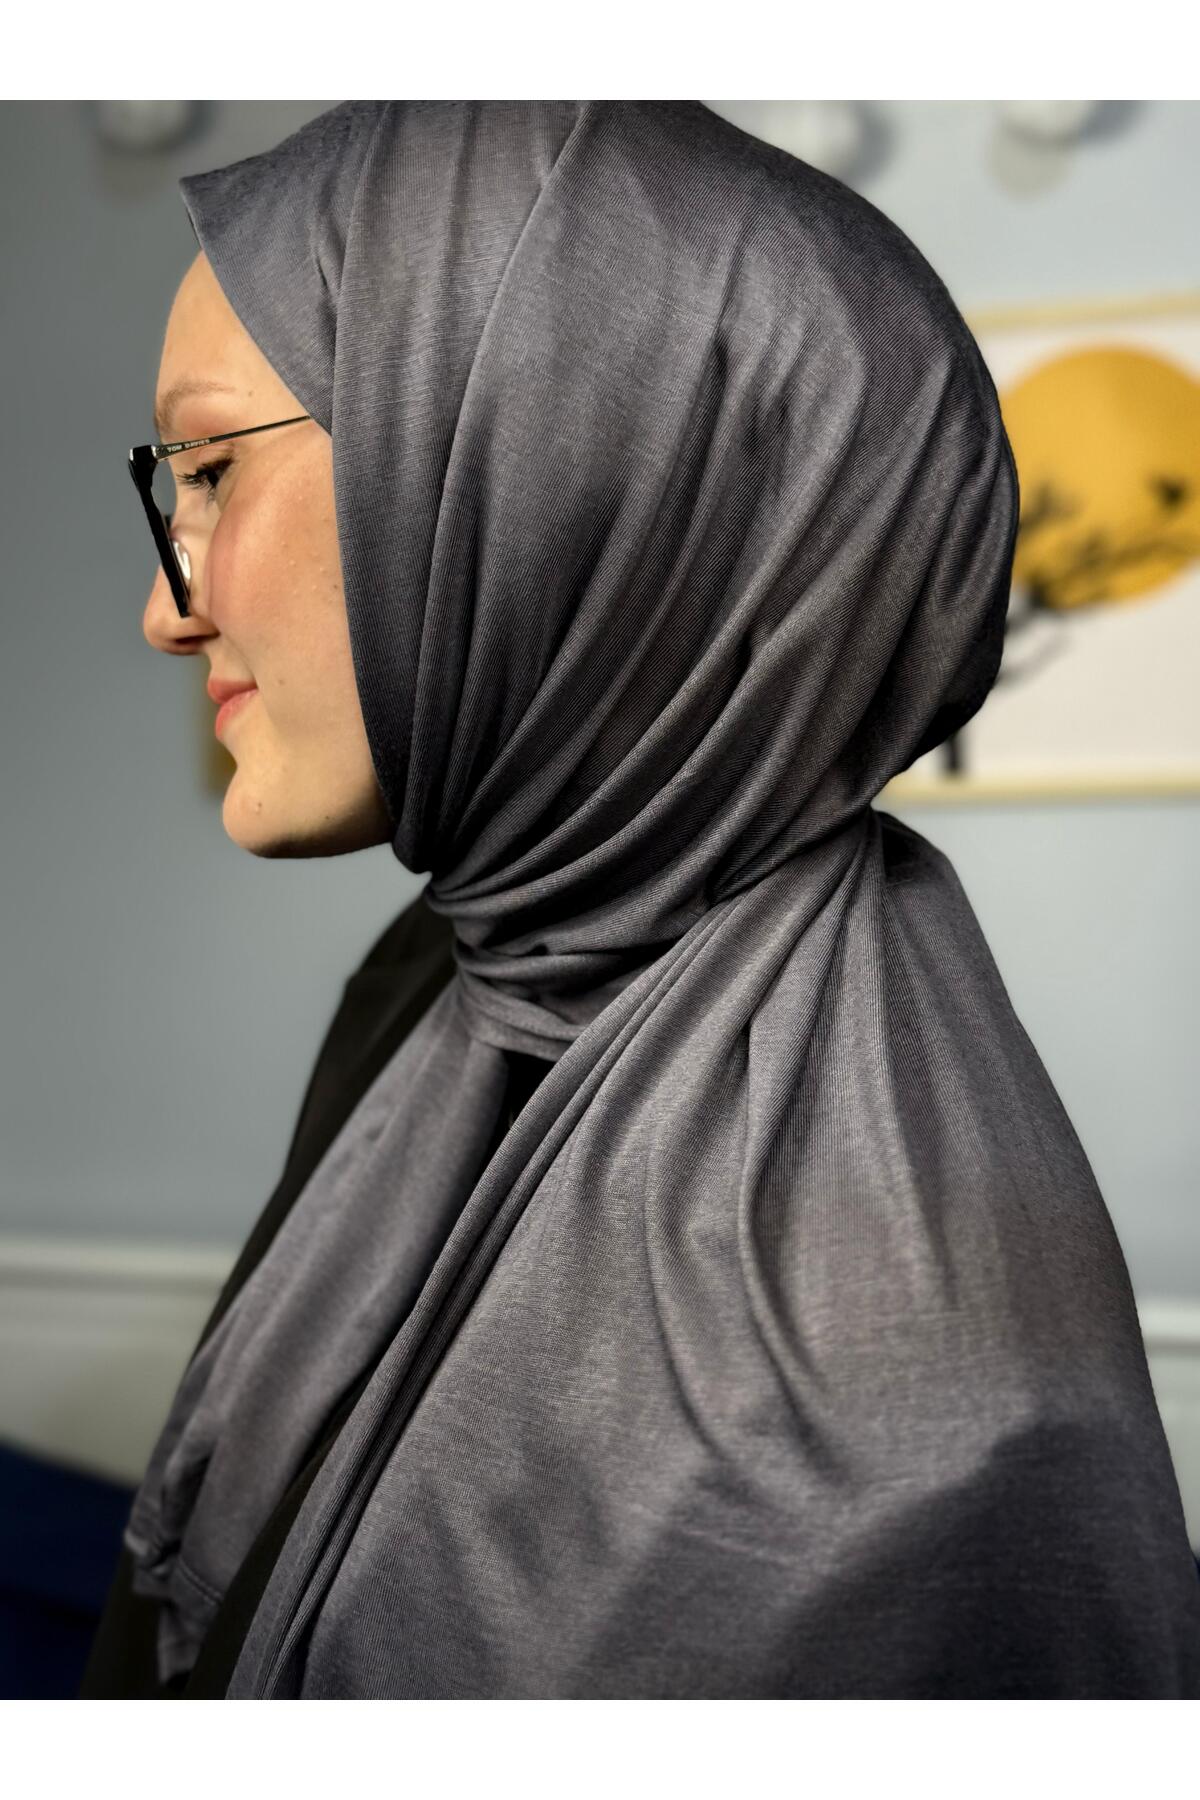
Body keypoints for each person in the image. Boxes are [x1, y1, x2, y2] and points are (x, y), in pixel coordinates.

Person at [82, 100, 1200, 1699]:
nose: (163, 607)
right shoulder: (437, 990)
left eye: (209, 468)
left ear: (552, 488)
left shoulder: (894, 1385)